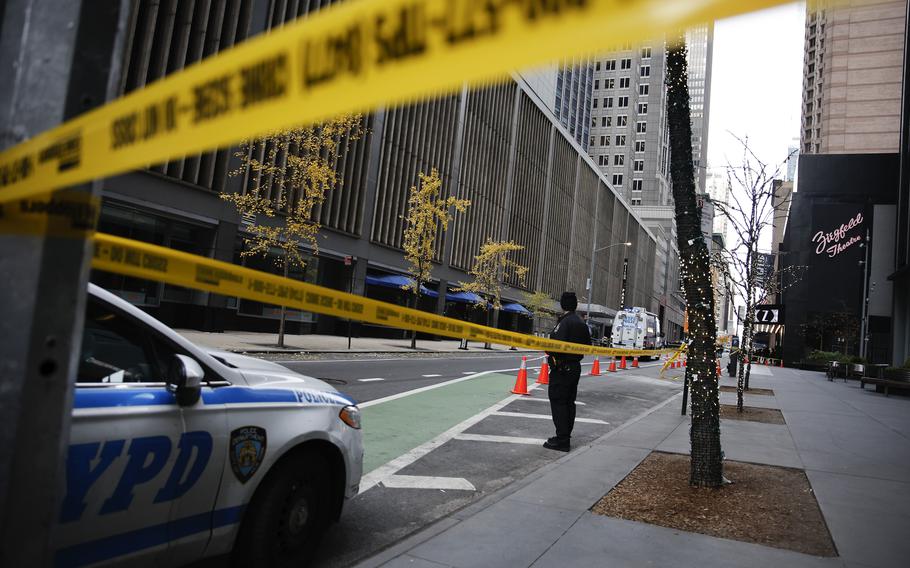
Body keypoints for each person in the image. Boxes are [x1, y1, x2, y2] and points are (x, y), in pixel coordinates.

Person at [544, 292, 591, 452]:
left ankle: (562, 439)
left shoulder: (564, 323)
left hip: (562, 368)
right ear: (576, 305)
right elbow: (588, 344)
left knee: (559, 402)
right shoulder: (581, 323)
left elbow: (553, 346)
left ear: (563, 304)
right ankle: (566, 435)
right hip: (574, 368)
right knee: (569, 403)